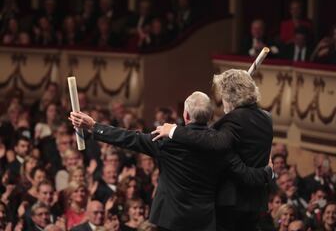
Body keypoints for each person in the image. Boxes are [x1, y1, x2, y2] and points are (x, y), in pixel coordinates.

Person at [70, 91, 272, 231]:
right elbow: (243, 173)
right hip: (204, 221)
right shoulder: (220, 145)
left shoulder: (168, 140)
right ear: (210, 116)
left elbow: (130, 138)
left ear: (185, 115)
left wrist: (94, 126)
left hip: (170, 218)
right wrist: (267, 172)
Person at [152, 69, 273, 231]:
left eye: (222, 96)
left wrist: (174, 130)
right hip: (256, 202)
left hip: (231, 204)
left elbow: (214, 142)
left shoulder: (234, 119)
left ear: (230, 97)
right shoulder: (266, 118)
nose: (222, 101)